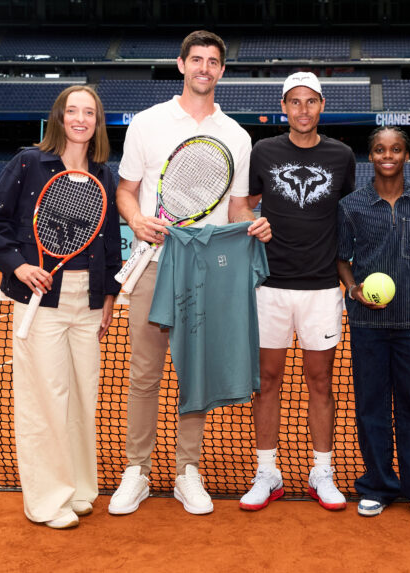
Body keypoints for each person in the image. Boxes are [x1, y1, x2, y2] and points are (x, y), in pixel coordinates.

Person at [110, 30, 270, 517]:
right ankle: (136, 471)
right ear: (181, 65)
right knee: (144, 374)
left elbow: (238, 207)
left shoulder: (238, 136)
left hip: (209, 272)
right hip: (154, 265)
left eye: (213, 61)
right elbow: (125, 189)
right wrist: (136, 219)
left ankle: (187, 472)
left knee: (194, 374)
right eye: (196, 59)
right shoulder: (148, 123)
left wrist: (255, 226)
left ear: (222, 70)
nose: (204, 67)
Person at [0, 85, 121, 529]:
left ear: (97, 122)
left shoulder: (104, 174)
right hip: (42, 302)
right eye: (72, 111)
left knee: (82, 398)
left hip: (89, 300)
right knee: (45, 401)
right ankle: (45, 500)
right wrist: (19, 267)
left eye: (90, 113)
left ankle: (78, 489)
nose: (81, 119)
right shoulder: (28, 163)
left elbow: (111, 241)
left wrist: (110, 299)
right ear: (58, 117)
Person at [235, 72, 356, 511]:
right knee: (266, 382)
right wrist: (252, 222)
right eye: (294, 102)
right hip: (269, 285)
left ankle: (321, 471)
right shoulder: (263, 151)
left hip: (322, 288)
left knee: (320, 381)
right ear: (283, 107)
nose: (303, 110)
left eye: (311, 102)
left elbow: (346, 213)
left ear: (321, 106)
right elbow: (243, 204)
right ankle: (267, 472)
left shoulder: (342, 155)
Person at [337, 126, 410, 524]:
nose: (388, 155)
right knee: (371, 408)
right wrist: (352, 290)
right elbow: (342, 258)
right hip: (368, 324)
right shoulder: (351, 205)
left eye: (396, 149)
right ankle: (378, 485)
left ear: (406, 155)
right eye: (381, 149)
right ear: (371, 156)